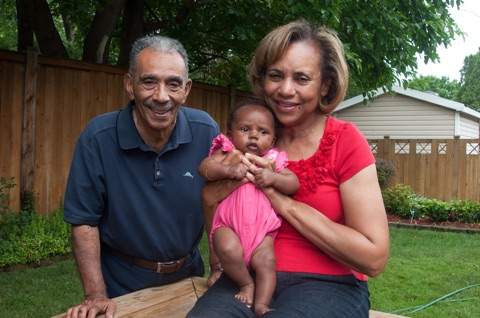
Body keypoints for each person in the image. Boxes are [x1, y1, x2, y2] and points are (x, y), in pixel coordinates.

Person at [188, 19, 390, 318]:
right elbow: (214, 208)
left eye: (302, 78)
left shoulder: (345, 142)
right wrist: (220, 262)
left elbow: (373, 258)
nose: (285, 89)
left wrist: (283, 202)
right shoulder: (251, 136)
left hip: (328, 284)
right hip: (246, 276)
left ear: (326, 85)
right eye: (276, 75)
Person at [63, 35, 219, 318]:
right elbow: (84, 222)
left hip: (190, 278)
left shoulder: (206, 131)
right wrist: (96, 295)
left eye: (173, 83)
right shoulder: (98, 137)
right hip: (123, 287)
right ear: (129, 85)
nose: (161, 96)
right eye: (149, 81)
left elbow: (220, 205)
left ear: (186, 90)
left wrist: (219, 268)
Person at [199, 98, 299, 316]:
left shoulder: (273, 160)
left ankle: (262, 304)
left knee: (267, 262)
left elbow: (293, 183)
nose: (254, 136)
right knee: (225, 247)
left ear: (273, 139)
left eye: (263, 132)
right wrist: (228, 172)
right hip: (229, 227)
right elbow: (205, 168)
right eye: (245, 129)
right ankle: (246, 284)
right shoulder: (226, 153)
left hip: (262, 232)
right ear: (230, 133)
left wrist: (272, 177)